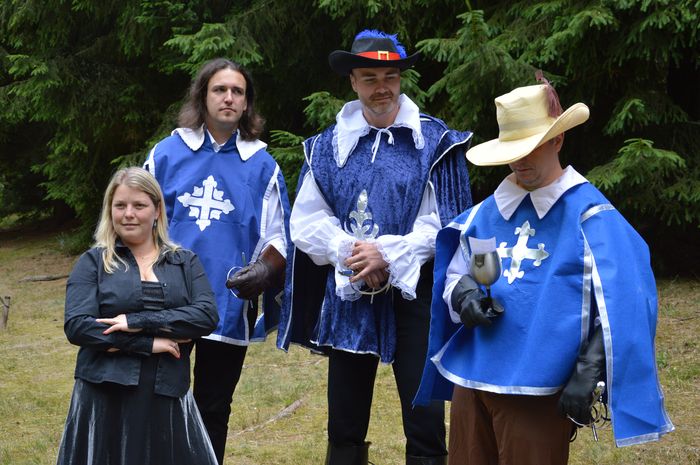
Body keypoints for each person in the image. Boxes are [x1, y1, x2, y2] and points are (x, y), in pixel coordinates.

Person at [414, 75, 674, 465]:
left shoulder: (591, 217)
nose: (520, 161)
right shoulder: (486, 214)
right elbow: (458, 273)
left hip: (539, 388)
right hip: (474, 378)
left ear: (558, 140)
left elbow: (627, 302)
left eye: (531, 147)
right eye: (512, 151)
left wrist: (591, 368)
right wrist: (463, 294)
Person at [277, 30, 473, 465]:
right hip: (352, 291)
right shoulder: (327, 147)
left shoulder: (433, 142)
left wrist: (389, 253)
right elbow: (306, 221)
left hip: (414, 291)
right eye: (370, 78)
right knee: (344, 420)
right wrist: (351, 252)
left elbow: (445, 221)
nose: (382, 87)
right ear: (353, 81)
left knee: (424, 416)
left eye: (390, 77)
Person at [144, 58, 291, 464]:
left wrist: (265, 269)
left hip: (227, 303)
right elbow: (136, 220)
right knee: (159, 399)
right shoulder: (166, 154)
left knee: (213, 407)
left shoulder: (262, 165)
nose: (229, 98)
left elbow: (279, 237)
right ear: (202, 96)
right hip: (166, 299)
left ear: (246, 103)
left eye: (237, 91)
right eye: (220, 90)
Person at [57, 167, 219, 464]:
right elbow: (78, 326)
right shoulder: (93, 262)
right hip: (105, 392)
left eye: (139, 205)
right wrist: (149, 343)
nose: (128, 214)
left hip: (165, 390)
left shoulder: (184, 262)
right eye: (120, 205)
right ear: (110, 211)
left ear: (157, 211)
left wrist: (136, 322)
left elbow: (206, 316)